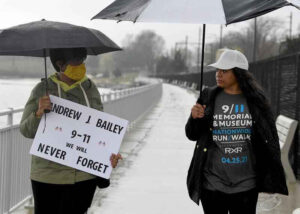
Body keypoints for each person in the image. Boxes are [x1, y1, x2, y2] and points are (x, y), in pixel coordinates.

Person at [20, 48, 122, 214]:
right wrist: (38, 113)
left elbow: (100, 130)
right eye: (76, 60)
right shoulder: (42, 89)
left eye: (82, 60)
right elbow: (25, 130)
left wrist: (109, 155)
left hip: (83, 176)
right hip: (47, 175)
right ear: (60, 63)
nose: (81, 65)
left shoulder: (90, 88)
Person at [185, 49, 288, 214]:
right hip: (212, 184)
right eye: (218, 70)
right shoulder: (208, 96)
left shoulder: (256, 101)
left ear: (239, 74)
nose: (218, 74)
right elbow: (192, 134)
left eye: (224, 71)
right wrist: (194, 117)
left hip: (246, 186)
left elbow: (269, 138)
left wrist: (270, 178)